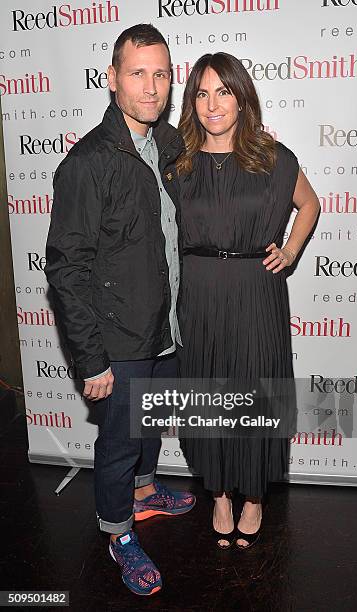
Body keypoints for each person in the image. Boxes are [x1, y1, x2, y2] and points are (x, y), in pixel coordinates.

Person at [45, 24, 195, 597]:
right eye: (138, 73)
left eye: (161, 74)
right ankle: (118, 534)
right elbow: (65, 268)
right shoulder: (87, 163)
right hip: (119, 337)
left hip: (165, 329)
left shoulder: (167, 147)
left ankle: (145, 491)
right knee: (118, 443)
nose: (151, 86)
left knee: (150, 426)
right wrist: (91, 359)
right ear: (112, 80)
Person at [176, 52, 320, 549]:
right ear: (191, 102)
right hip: (198, 291)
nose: (212, 104)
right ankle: (218, 493)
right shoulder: (178, 162)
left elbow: (310, 203)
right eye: (201, 93)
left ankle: (255, 495)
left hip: (256, 290)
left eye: (224, 91)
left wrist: (293, 250)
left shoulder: (273, 158)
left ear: (242, 98)